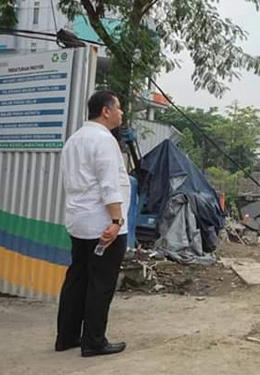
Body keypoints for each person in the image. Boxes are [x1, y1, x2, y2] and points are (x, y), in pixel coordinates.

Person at [55, 90, 130, 357]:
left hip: (79, 222)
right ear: (106, 111)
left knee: (78, 278)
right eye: (118, 107)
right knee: (101, 283)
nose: (121, 112)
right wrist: (115, 220)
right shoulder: (104, 140)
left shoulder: (74, 140)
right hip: (103, 225)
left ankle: (66, 336)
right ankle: (94, 341)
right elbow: (109, 185)